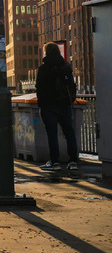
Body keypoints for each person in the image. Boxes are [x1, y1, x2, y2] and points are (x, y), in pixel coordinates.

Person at [35, 42, 79, 171]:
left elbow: (39, 88)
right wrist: (70, 99)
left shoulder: (44, 68)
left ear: (46, 52)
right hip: (65, 104)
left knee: (52, 134)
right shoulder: (66, 67)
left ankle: (54, 162)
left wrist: (41, 103)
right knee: (69, 133)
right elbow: (71, 85)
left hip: (49, 106)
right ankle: (73, 161)